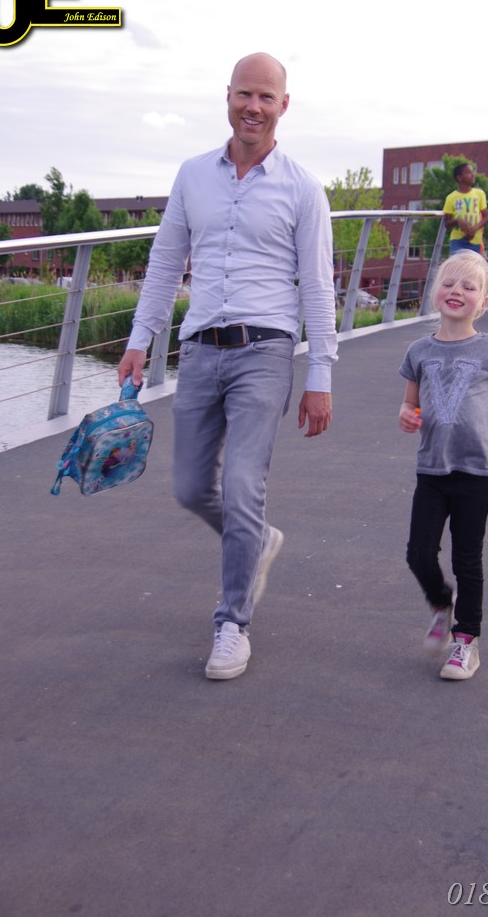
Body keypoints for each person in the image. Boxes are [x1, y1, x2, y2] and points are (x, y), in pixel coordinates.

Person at [118, 53, 338, 681]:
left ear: (284, 106)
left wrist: (320, 376)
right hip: (199, 350)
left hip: (265, 352)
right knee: (192, 488)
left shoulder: (303, 188)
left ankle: (232, 623)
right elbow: (166, 262)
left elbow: (317, 286)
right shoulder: (192, 175)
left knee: (243, 486)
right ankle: (256, 539)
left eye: (266, 97)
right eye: (245, 94)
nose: (254, 107)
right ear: (228, 96)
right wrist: (140, 339)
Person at [398, 251, 488, 681]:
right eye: (449, 283)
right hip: (431, 471)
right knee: (418, 553)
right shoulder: (419, 350)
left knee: (468, 559)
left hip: (475, 472)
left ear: (482, 302)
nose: (457, 292)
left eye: (469, 287)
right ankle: (439, 601)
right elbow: (410, 404)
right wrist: (406, 415)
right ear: (435, 292)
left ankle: (466, 641)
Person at [443, 162, 488, 255]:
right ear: (459, 178)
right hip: (457, 240)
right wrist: (458, 220)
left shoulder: (479, 194)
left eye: (473, 172)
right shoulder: (451, 197)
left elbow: (485, 217)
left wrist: (474, 229)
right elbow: (447, 223)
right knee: (457, 263)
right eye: (468, 173)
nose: (473, 175)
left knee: (473, 263)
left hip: (475, 240)